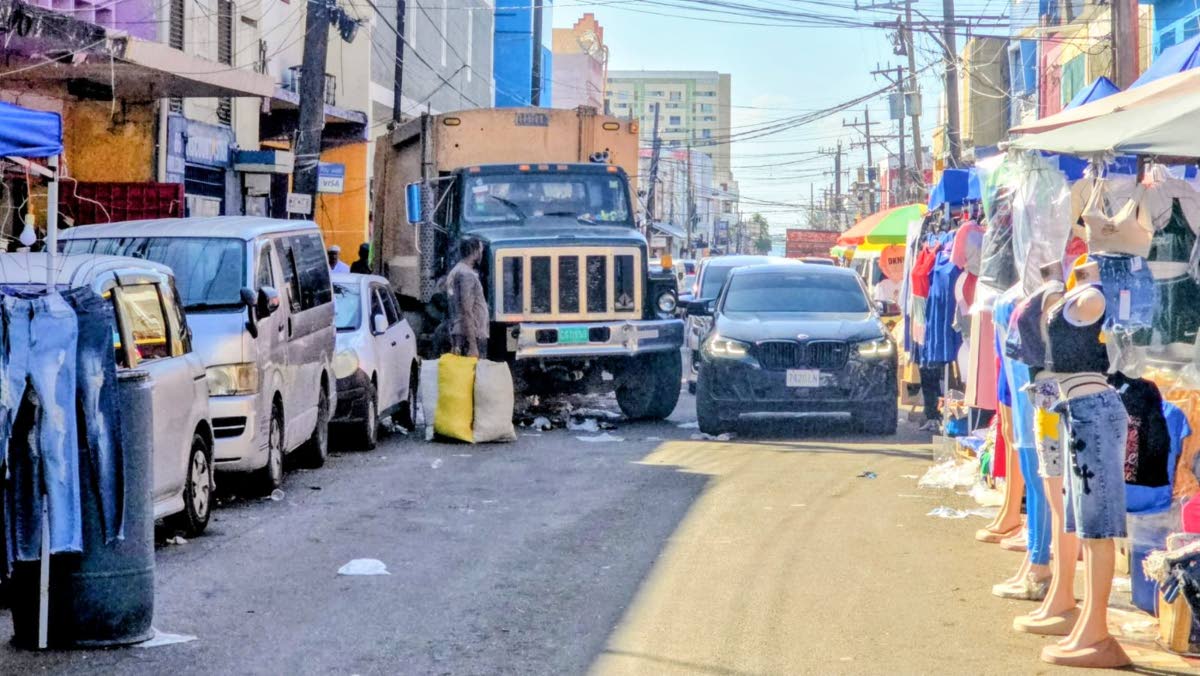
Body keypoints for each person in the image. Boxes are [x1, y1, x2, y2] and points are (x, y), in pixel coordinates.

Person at [446, 237, 489, 357]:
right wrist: (473, 346)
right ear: (475, 252)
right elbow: (466, 310)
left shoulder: (458, 270)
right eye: (481, 251)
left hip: (461, 332)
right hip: (470, 335)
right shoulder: (466, 275)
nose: (481, 254)